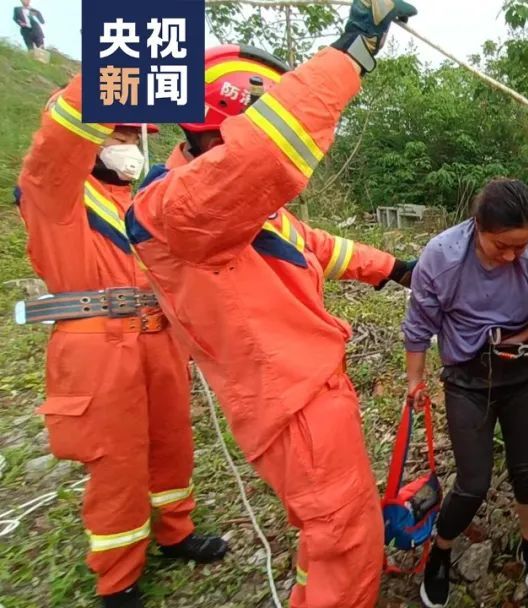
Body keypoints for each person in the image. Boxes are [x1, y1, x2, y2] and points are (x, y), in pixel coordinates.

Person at [125, 2, 418, 606]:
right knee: (346, 540)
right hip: (293, 404)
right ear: (228, 128)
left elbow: (313, 247)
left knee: (329, 529)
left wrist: (393, 268)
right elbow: (266, 154)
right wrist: (351, 54)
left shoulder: (234, 210)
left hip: (306, 394)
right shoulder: (178, 208)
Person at [16, 87, 225, 607]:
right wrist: (119, 69)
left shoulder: (139, 200)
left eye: (136, 133)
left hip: (159, 336)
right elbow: (57, 144)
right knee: (117, 462)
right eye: (121, 131)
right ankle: (118, 579)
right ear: (89, 136)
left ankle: (175, 532)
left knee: (171, 442)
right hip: (97, 344)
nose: (131, 141)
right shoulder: (56, 194)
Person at [403, 178, 528, 608]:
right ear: (478, 225)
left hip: (523, 368)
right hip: (468, 377)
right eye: (502, 245)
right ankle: (441, 550)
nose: (512, 255)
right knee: (473, 482)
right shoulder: (442, 257)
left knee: (527, 472)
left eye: (521, 246)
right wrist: (415, 380)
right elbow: (419, 324)